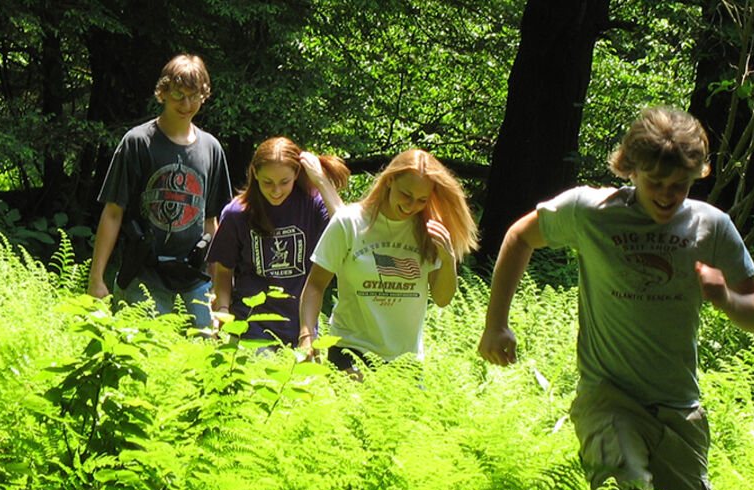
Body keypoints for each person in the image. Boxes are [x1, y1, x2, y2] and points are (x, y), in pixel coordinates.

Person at [477, 106, 754, 490]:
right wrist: (496, 324)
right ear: (629, 169)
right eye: (656, 183)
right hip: (608, 397)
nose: (669, 196)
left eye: (680, 185)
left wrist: (724, 298)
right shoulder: (590, 212)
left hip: (679, 408)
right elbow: (519, 236)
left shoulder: (711, 226)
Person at [299, 149, 479, 373]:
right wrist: (307, 335)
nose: (411, 205)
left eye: (422, 200)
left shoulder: (429, 231)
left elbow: (442, 299)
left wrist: (448, 257)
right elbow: (316, 284)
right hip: (350, 348)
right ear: (390, 180)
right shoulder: (349, 222)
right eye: (406, 195)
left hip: (406, 359)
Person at [87, 54, 232, 330]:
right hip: (141, 278)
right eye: (178, 95)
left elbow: (212, 222)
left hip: (194, 284)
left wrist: (215, 288)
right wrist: (97, 277)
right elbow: (113, 212)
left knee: (197, 368)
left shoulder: (211, 149)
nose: (186, 104)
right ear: (162, 92)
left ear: (205, 96)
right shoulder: (137, 142)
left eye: (195, 96)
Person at [206, 137, 350, 346]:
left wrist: (321, 180)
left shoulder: (313, 206)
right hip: (250, 324)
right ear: (255, 173)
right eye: (267, 182)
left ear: (296, 175)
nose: (276, 191)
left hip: (301, 326)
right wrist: (223, 310)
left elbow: (346, 231)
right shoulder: (237, 214)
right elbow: (224, 270)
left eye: (284, 182)